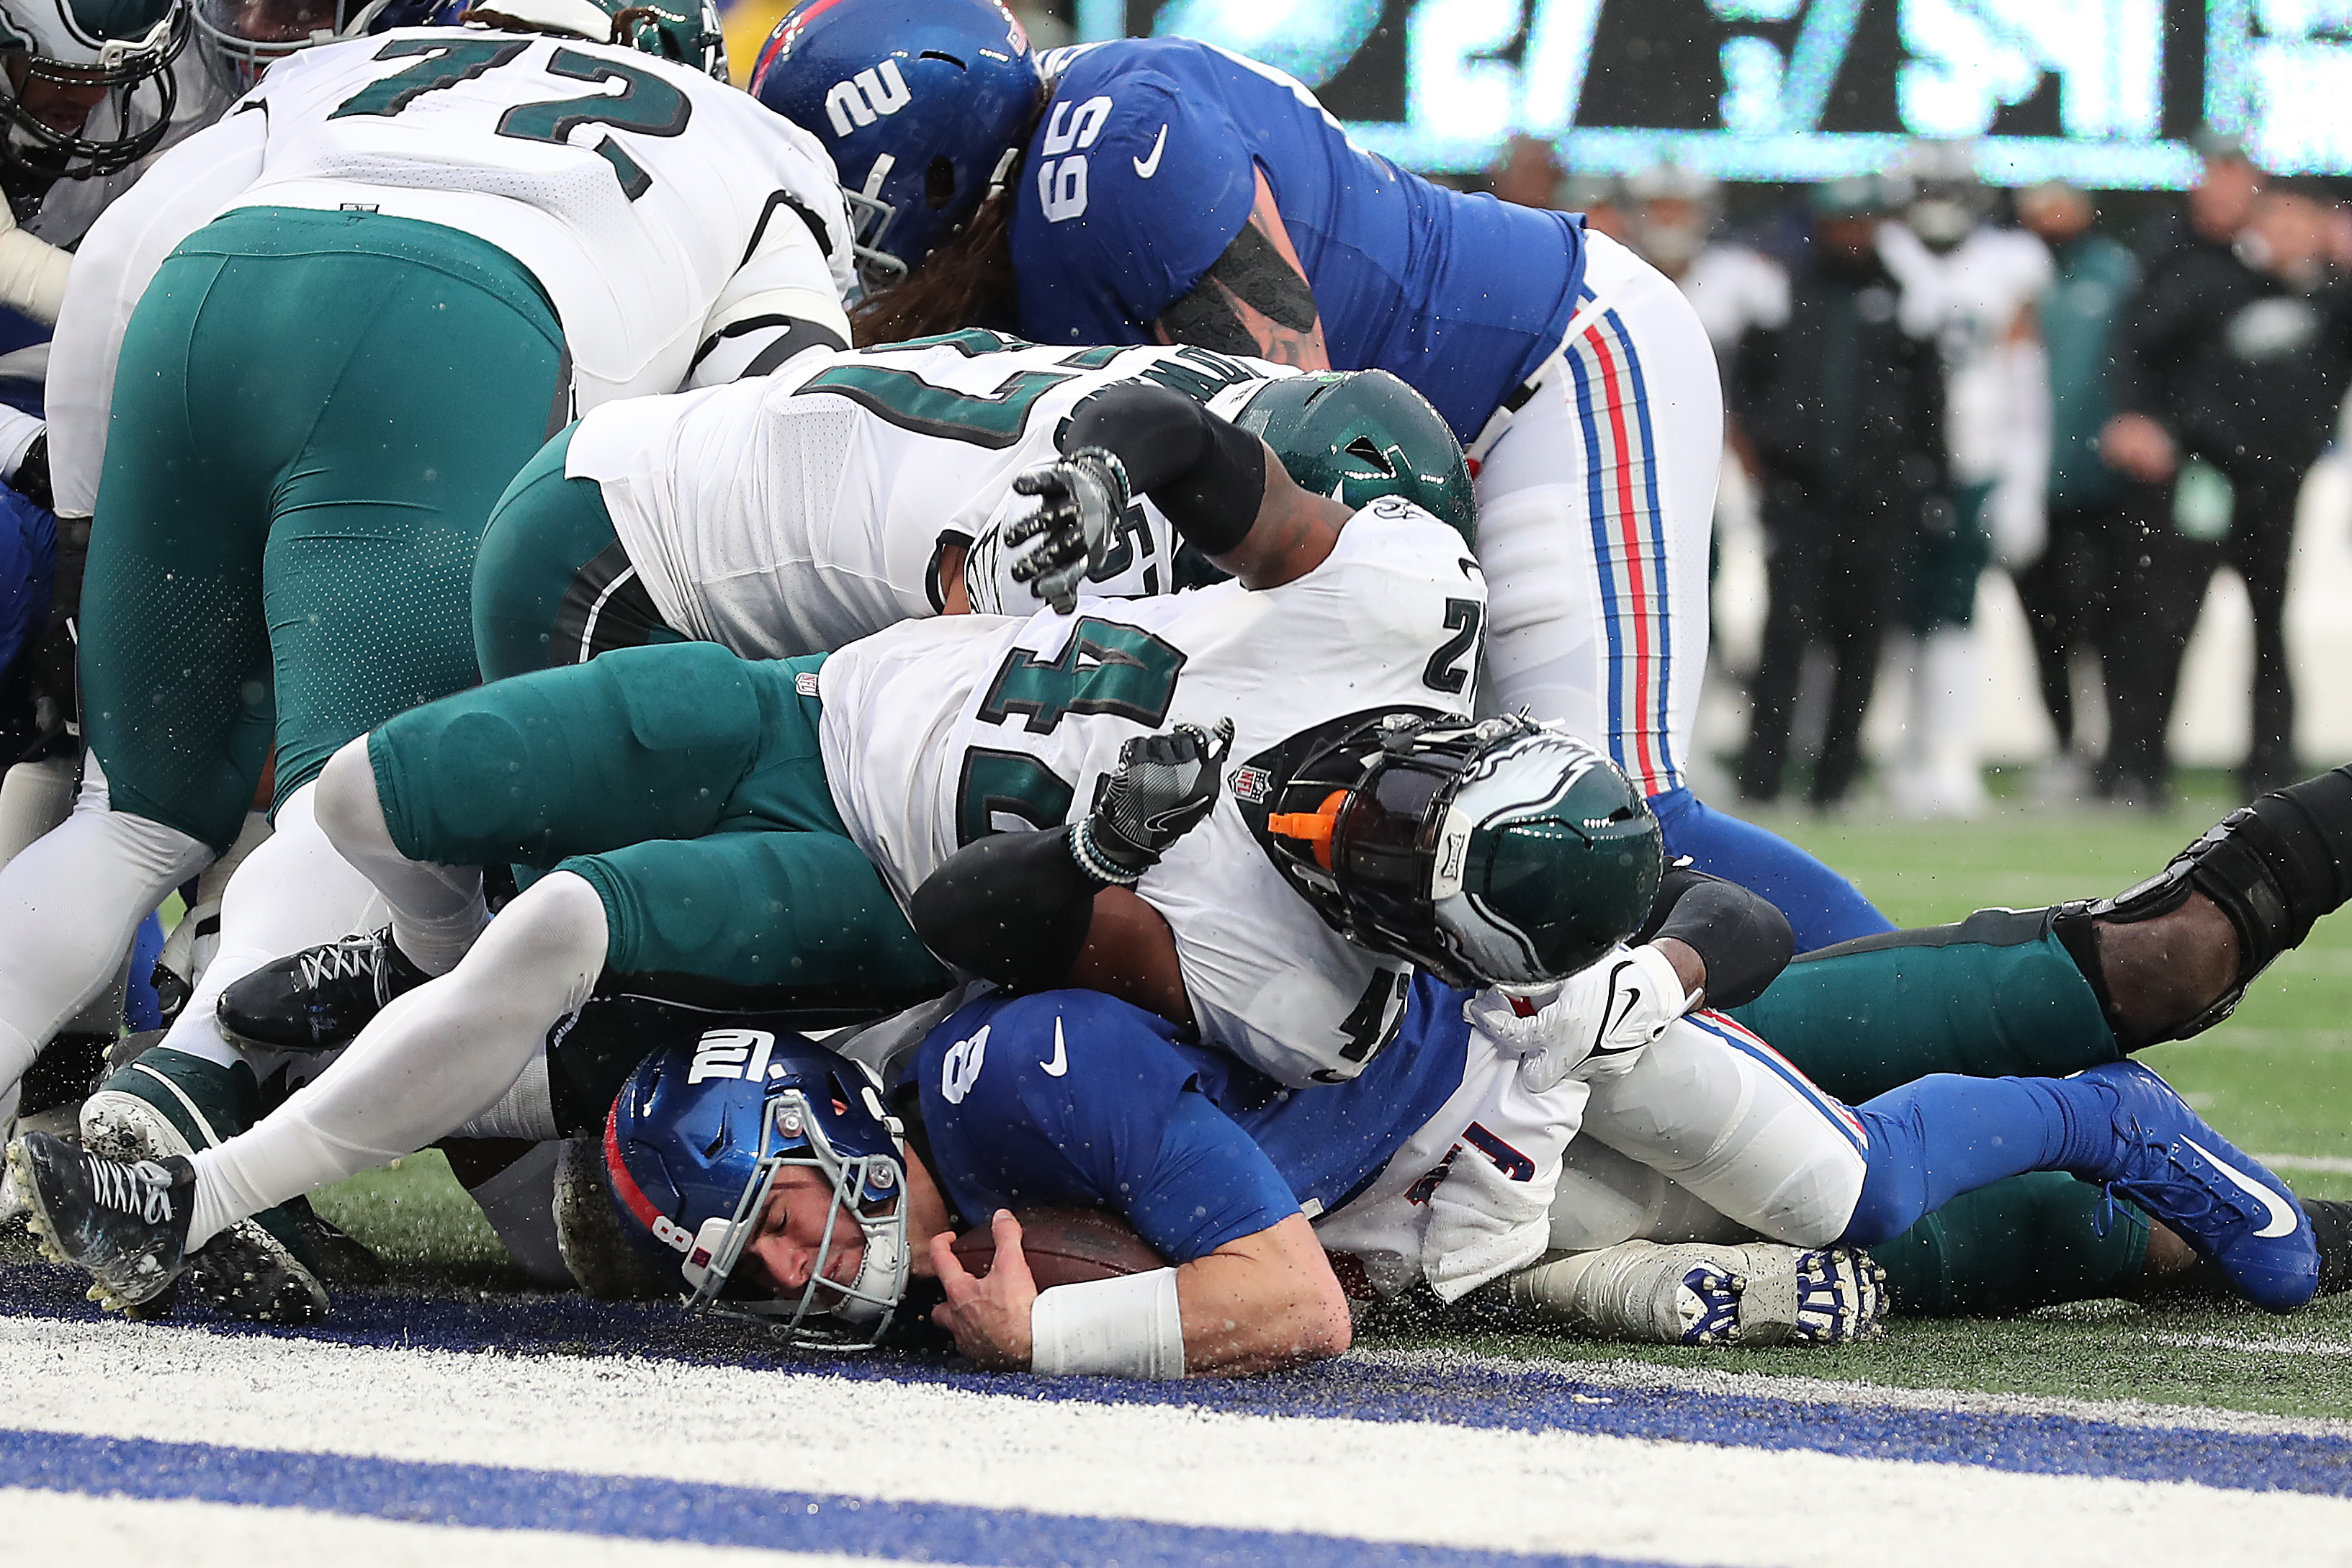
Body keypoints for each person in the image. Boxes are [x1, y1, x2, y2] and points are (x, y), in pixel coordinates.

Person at [746, 0, 1893, 953]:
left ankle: (1927, 1016)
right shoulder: (1055, 164)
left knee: (1590, 821)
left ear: (938, 164)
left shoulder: (1109, 156)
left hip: (1544, 378)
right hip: (1422, 446)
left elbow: (1301, 440)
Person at [0, 0, 858, 1272]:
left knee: (129, 813)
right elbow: (773, 428)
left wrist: (82, 518)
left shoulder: (359, 61)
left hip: (208, 295)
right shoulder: (754, 140)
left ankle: (138, 1092)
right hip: (454, 330)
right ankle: (185, 1102)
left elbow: (126, 250)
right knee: (349, 797)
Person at [2101, 138, 2352, 803]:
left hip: (2279, 483)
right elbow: (2142, 351)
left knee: (2271, 626)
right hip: (2206, 476)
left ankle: (2271, 773)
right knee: (2170, 619)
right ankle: (2139, 765)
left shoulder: (2332, 302)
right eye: (2280, 221)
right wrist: (2141, 419)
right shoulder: (2205, 281)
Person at [1733, 176, 1946, 809]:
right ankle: (1763, 775)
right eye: (1841, 223)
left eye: (1862, 222)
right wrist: (1768, 459)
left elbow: (1929, 399)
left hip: (1877, 496)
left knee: (1861, 641)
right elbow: (1748, 388)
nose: (1852, 235)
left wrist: (1928, 477)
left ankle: (1837, 779)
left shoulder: (1905, 295)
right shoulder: (1784, 291)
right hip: (1799, 493)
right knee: (1785, 639)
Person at [1875, 141, 2053, 819]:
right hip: (1897, 464)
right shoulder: (1886, 255)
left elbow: (2023, 377)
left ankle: (1950, 755)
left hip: (1974, 459)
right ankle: (1906, 754)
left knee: (1954, 613)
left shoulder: (2009, 265)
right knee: (1895, 615)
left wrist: (2023, 479)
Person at [2009, 180, 2141, 803]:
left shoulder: (2116, 274)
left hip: (2101, 487)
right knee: (2045, 627)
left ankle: (2120, 755)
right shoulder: (2016, 272)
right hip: (2033, 485)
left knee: (2111, 625)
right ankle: (2066, 747)